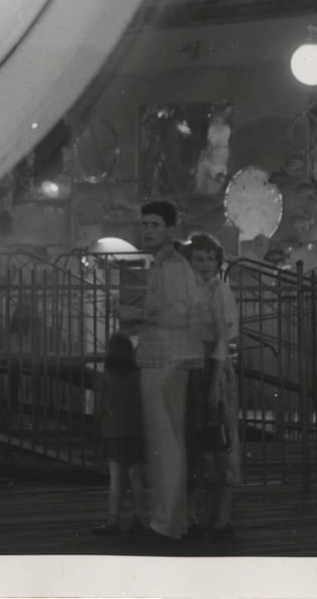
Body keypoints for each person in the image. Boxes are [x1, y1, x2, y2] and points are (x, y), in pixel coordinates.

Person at [116, 199, 201, 543]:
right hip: (160, 357)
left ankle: (165, 523)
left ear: (170, 229)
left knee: (165, 442)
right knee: (165, 442)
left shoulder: (174, 267)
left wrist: (135, 316)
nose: (147, 230)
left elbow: (181, 314)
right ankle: (169, 521)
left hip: (165, 359)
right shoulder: (166, 264)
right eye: (145, 224)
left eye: (154, 225)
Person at [186, 231, 241, 539]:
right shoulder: (201, 290)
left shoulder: (218, 290)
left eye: (210, 258)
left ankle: (222, 517)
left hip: (214, 368)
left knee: (218, 445)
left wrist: (214, 383)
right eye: (199, 258)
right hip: (202, 364)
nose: (205, 263)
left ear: (218, 262)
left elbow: (222, 338)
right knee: (208, 445)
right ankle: (212, 515)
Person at [92, 331, 146, 536]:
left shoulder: (105, 378)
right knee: (135, 477)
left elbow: (98, 409)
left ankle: (113, 521)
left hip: (113, 432)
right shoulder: (137, 377)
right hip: (135, 432)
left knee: (116, 479)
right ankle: (139, 519)